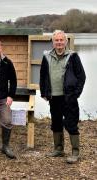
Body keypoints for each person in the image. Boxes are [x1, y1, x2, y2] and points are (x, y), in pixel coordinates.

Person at [40, 30, 86, 164]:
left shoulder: (73, 56)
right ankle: (58, 148)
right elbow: (43, 76)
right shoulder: (46, 56)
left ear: (65, 42)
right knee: (56, 123)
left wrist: (75, 94)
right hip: (54, 97)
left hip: (69, 97)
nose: (59, 42)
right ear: (53, 42)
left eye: (61, 40)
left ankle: (75, 151)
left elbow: (81, 77)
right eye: (56, 40)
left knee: (71, 123)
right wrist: (44, 92)